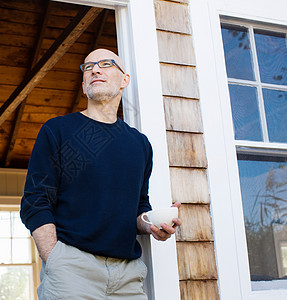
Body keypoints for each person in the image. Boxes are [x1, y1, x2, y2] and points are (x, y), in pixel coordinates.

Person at [20, 48, 182, 299]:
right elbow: (35, 201)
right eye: (88, 67)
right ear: (84, 85)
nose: (95, 69)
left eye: (106, 64)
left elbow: (139, 208)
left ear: (124, 80)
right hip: (71, 273)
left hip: (128, 278)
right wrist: (55, 259)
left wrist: (153, 226)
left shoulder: (140, 144)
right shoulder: (58, 130)